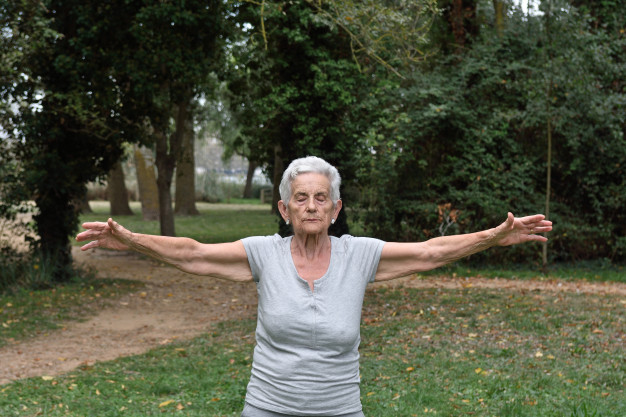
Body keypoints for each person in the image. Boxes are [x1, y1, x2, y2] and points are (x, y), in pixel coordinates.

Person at [76, 156, 552, 417]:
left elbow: (430, 251)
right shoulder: (264, 253)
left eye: (320, 198)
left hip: (340, 409)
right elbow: (194, 252)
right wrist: (131, 239)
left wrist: (492, 236)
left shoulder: (359, 255)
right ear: (284, 210)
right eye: (299, 198)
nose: (310, 206)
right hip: (267, 407)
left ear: (335, 208)